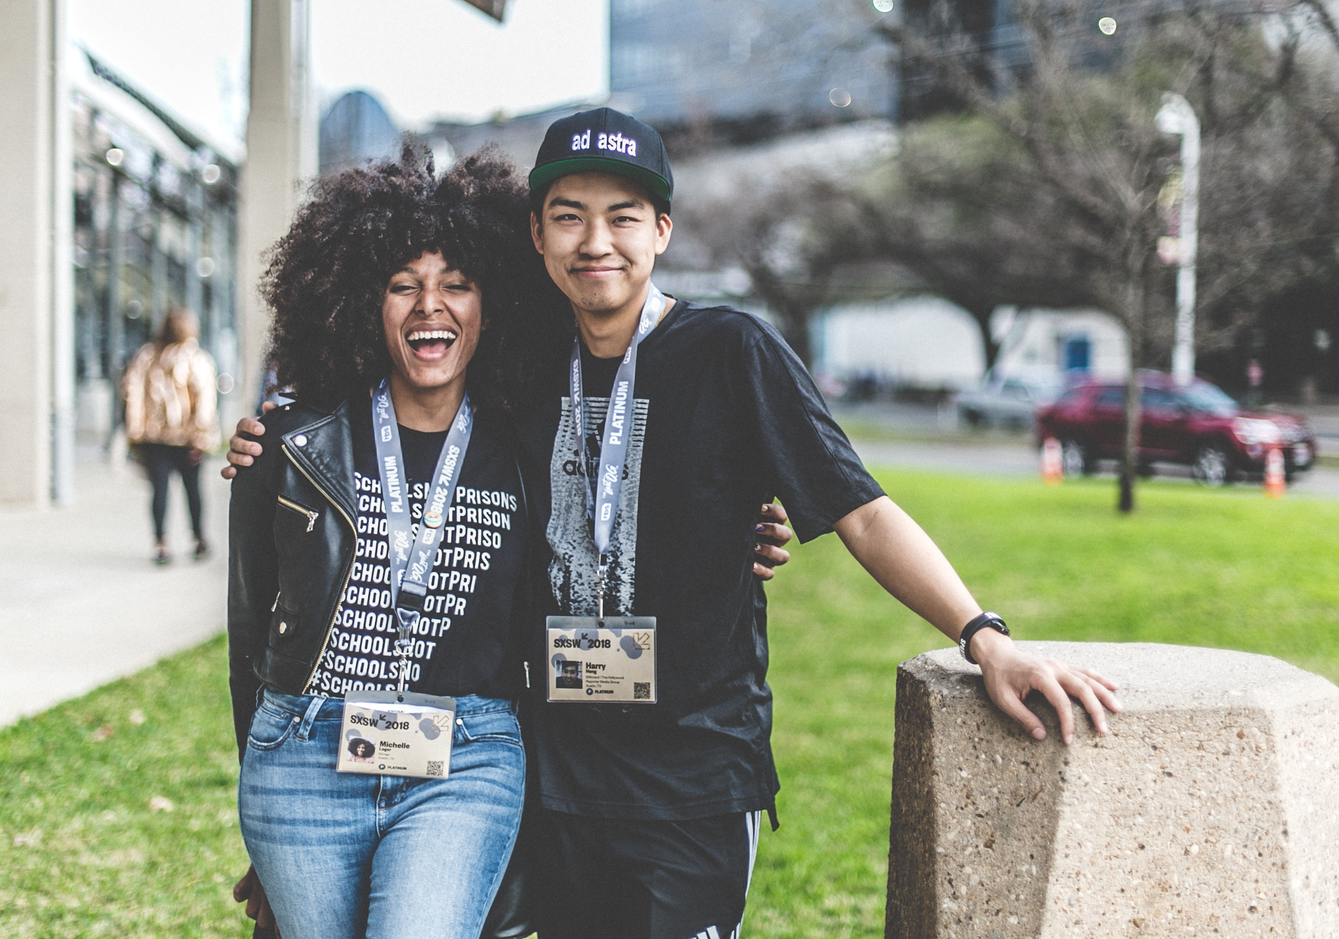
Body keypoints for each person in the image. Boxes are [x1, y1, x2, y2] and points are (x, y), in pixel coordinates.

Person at [228, 109, 1117, 939]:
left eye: (623, 216)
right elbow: (394, 407)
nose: (595, 241)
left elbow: (863, 514)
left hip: (692, 783)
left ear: (662, 230)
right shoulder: (523, 374)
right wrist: (267, 440)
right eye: (568, 217)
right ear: (534, 237)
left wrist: (983, 635)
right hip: (559, 782)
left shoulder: (732, 352)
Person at [226, 145, 551, 939]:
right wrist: (261, 803)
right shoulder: (289, 446)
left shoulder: (529, 450)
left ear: (494, 302)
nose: (428, 306)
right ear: (361, 302)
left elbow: (619, 535)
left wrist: (736, 535)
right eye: (402, 284)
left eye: (457, 284)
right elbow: (248, 628)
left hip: (465, 760)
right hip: (302, 756)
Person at [123, 307, 219, 564]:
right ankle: (198, 539)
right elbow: (205, 401)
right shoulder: (196, 358)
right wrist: (201, 436)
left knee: (159, 491)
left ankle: (160, 543)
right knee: (194, 491)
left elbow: (132, 396)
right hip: (188, 441)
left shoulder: (146, 356)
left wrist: (135, 436)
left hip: (153, 440)